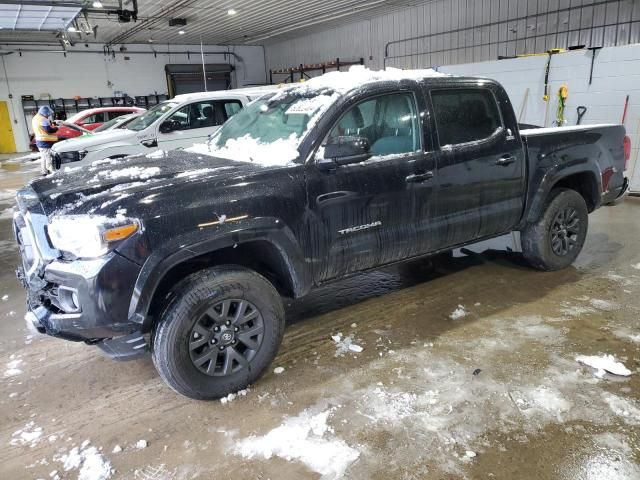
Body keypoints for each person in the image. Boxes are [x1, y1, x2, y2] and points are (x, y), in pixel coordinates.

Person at [32, 106, 59, 176]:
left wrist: (51, 125)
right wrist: (56, 128)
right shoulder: (42, 119)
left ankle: (44, 172)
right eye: (48, 114)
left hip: (39, 141)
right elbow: (48, 130)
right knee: (48, 158)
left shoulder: (35, 118)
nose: (48, 115)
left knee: (43, 157)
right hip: (45, 141)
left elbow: (42, 128)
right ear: (44, 112)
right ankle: (51, 172)